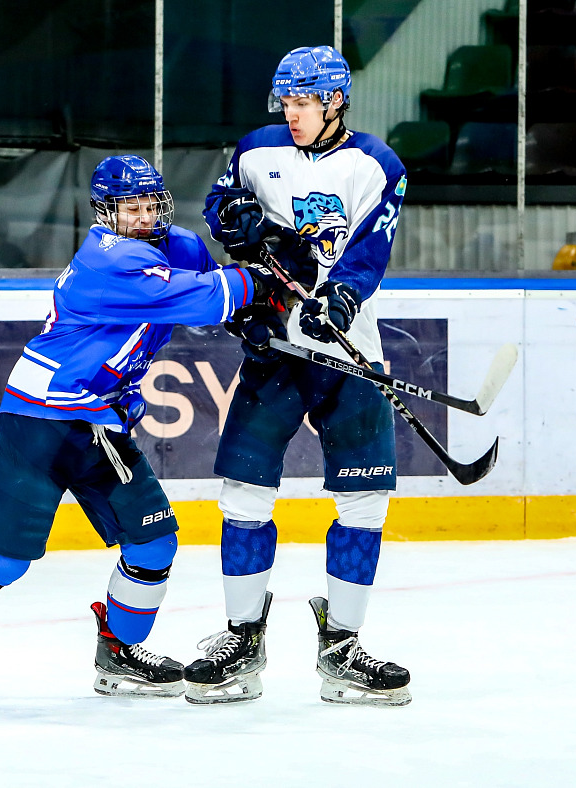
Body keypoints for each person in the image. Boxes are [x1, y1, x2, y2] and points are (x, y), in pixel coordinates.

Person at [0, 155, 292, 699]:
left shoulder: (179, 245)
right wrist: (268, 277)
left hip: (100, 420)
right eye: (130, 208)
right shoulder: (106, 260)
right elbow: (201, 296)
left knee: (153, 543)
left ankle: (119, 653)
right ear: (106, 212)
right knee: (4, 562)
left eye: (150, 205)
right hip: (39, 419)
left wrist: (254, 319)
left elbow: (210, 300)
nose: (143, 217)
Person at [185, 45, 412, 707]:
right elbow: (223, 210)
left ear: (336, 100)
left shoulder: (377, 164)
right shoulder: (257, 149)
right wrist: (230, 220)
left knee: (365, 504)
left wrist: (341, 297)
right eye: (286, 101)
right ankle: (241, 641)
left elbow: (369, 250)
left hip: (348, 352)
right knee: (244, 496)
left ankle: (343, 647)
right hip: (276, 349)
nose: (293, 113)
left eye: (305, 102)